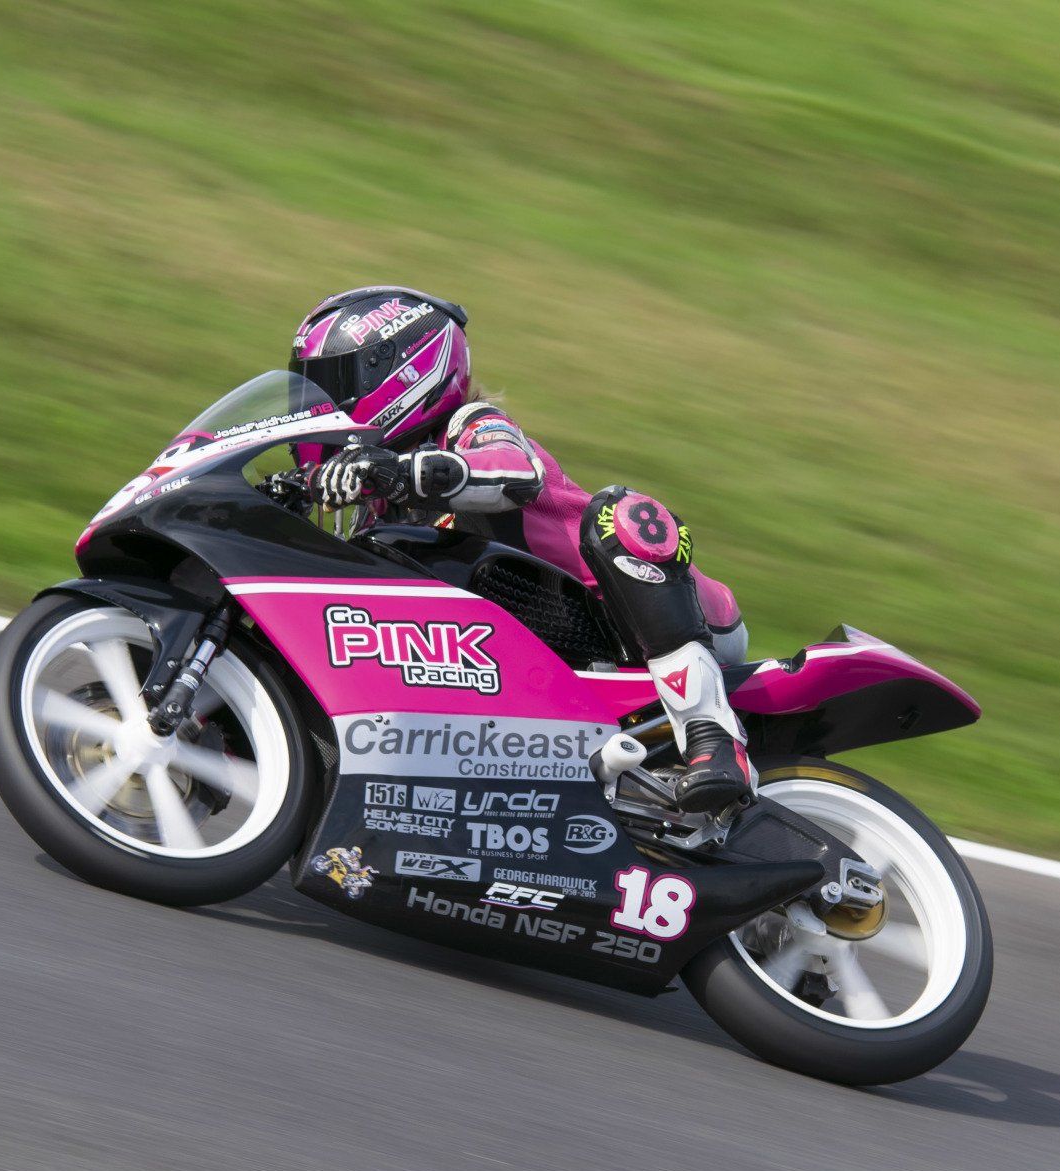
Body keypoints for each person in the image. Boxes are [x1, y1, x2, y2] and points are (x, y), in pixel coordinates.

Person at [287, 285, 752, 812]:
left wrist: (404, 472)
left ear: (404, 369)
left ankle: (715, 739)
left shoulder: (471, 426)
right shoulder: (376, 511)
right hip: (545, 653)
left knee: (620, 515)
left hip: (647, 618)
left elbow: (513, 472)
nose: (321, 405)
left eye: (335, 385)